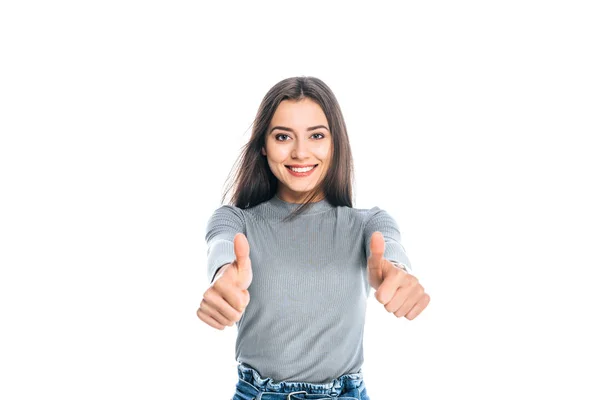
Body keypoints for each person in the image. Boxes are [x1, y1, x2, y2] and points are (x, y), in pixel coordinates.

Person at [197, 76, 430, 400]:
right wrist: (223, 275)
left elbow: (389, 246)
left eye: (316, 135)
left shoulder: (367, 223)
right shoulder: (237, 220)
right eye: (283, 136)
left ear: (335, 143)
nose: (300, 152)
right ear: (264, 145)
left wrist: (396, 271)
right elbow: (221, 245)